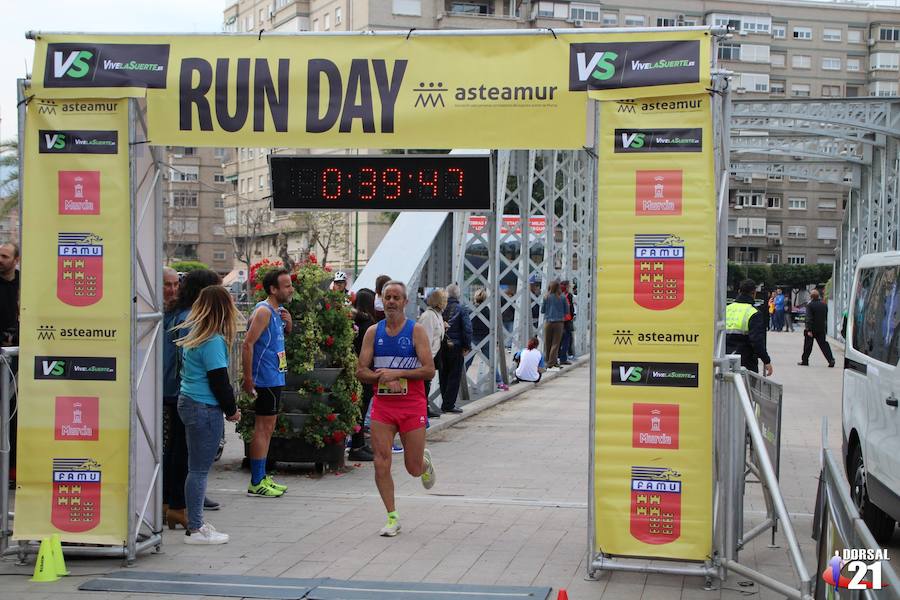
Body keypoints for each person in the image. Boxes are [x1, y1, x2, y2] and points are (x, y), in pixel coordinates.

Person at [356, 281, 436, 537]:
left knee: (412, 468)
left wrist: (397, 373)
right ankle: (392, 517)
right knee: (381, 462)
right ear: (381, 300)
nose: (391, 301)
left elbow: (429, 370)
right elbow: (361, 371)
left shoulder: (416, 331)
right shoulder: (373, 332)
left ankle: (424, 463)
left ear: (405, 302)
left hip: (412, 405)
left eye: (396, 298)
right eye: (387, 297)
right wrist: (379, 377)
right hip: (383, 406)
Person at [175, 285, 242, 544]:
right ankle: (196, 527)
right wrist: (232, 410)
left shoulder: (195, 336)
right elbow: (219, 381)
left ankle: (196, 522)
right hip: (204, 407)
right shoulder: (213, 340)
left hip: (189, 401)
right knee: (200, 470)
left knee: (195, 468)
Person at [170, 268, 223, 526]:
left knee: (185, 455)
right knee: (189, 459)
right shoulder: (194, 324)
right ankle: (185, 510)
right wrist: (231, 407)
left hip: (182, 394)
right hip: (189, 396)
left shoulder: (185, 318)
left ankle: (182, 503)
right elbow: (213, 374)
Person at [242, 267, 294, 497]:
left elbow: (280, 337)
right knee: (262, 429)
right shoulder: (263, 311)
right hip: (265, 378)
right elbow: (247, 343)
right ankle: (256, 481)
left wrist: (289, 322)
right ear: (273, 289)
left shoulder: (278, 311)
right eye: (286, 285)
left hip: (276, 375)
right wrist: (248, 378)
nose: (291, 289)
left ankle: (261, 476)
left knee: (268, 428)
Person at [349, 288, 378, 461]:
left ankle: (358, 443)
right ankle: (357, 446)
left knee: (359, 409)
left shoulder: (354, 322)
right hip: (366, 370)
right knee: (362, 408)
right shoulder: (368, 324)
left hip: (355, 369)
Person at [726, 279, 774, 376]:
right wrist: (766, 360)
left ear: (739, 291)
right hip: (746, 361)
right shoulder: (754, 313)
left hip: (724, 359)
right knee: (746, 390)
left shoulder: (727, 309)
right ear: (754, 293)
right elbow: (757, 341)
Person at [0, 242, 19, 484]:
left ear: (16, 259)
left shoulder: (24, 283)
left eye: (5, 256)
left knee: (14, 414)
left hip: (18, 359)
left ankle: (12, 469)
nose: (0, 259)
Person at [440, 284, 472, 414]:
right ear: (458, 294)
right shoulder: (462, 309)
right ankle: (448, 404)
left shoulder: (440, 308)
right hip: (456, 346)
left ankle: (445, 402)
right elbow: (467, 329)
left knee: (443, 375)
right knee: (454, 375)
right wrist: (467, 346)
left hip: (441, 346)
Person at [467, 288, 508, 391]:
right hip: (485, 339)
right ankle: (499, 383)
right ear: (485, 299)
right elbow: (493, 326)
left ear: (475, 298)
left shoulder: (469, 310)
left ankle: (458, 382)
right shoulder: (488, 311)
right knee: (491, 363)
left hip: (473, 339)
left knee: (466, 363)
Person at [417, 288, 447, 417]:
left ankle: (425, 407)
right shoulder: (429, 316)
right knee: (425, 383)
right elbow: (426, 339)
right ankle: (423, 409)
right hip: (429, 355)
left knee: (427, 382)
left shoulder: (436, 314)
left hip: (433, 354)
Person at [798, 289, 836, 367]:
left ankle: (805, 361)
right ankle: (831, 359)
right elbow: (825, 316)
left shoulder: (810, 305)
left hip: (812, 329)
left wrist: (808, 329)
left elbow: (809, 318)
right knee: (824, 345)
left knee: (808, 346)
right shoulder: (824, 305)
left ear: (811, 297)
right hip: (821, 328)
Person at [541, 280, 567, 369]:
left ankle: (549, 361)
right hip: (559, 322)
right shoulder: (562, 297)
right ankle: (551, 363)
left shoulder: (546, 297)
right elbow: (567, 311)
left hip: (548, 322)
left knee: (548, 342)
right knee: (555, 343)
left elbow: (542, 310)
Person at [558, 280, 576, 364]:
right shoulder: (568, 295)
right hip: (567, 320)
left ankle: (558, 356)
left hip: (558, 320)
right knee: (567, 339)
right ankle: (566, 356)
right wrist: (572, 317)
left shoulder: (556, 295)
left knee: (559, 339)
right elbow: (571, 308)